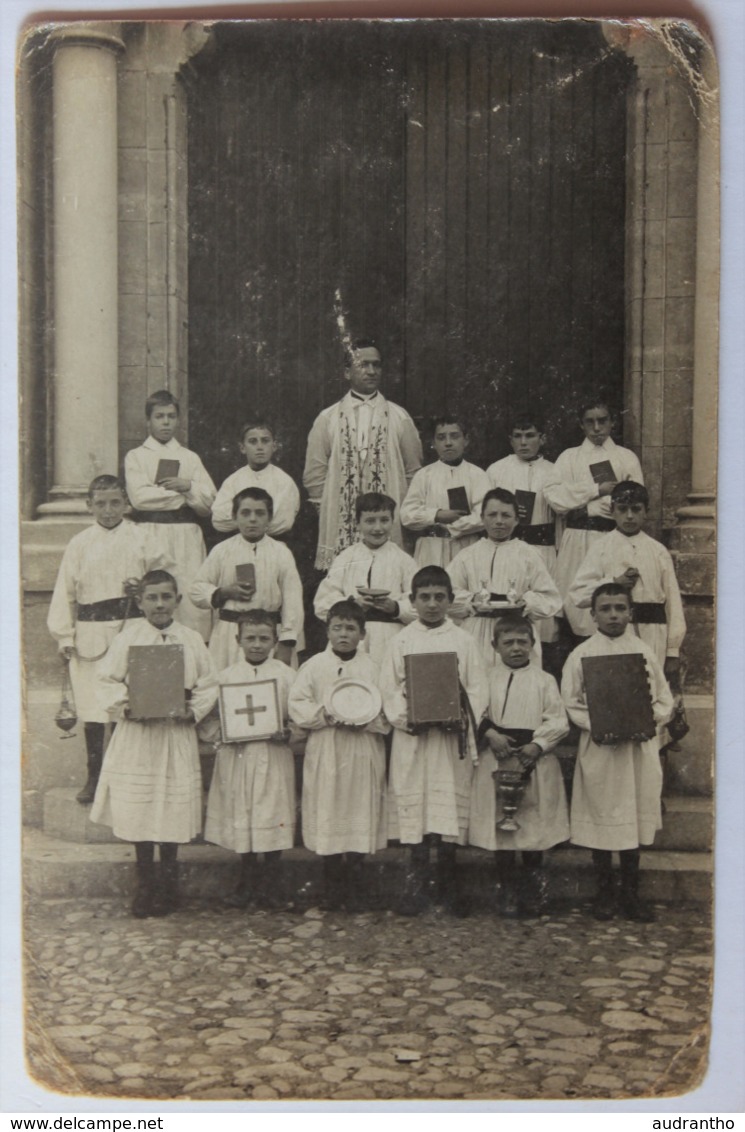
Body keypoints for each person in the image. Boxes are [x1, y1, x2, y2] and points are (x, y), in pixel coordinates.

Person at [90, 570, 217, 917]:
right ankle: (145, 884)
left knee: (172, 808)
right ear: (140, 602)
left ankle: (169, 885)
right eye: (152, 598)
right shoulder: (128, 638)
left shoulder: (191, 639)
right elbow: (105, 679)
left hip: (174, 734)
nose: (159, 604)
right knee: (142, 809)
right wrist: (127, 706)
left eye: (166, 597)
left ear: (177, 601)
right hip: (140, 737)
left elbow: (209, 683)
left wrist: (193, 711)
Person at [46, 475, 172, 804]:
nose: (108, 510)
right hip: (90, 631)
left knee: (129, 705)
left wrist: (143, 588)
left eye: (115, 502)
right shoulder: (80, 543)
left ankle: (124, 778)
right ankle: (95, 776)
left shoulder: (142, 537)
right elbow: (65, 592)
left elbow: (166, 577)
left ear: (126, 504)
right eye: (100, 503)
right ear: (89, 506)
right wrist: (64, 636)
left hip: (132, 625)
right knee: (93, 707)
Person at [561, 583, 674, 922]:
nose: (613, 615)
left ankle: (630, 894)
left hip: (636, 749)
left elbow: (664, 700)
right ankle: (605, 893)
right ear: (592, 614)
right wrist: (599, 725)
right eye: (605, 608)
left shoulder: (643, 650)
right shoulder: (581, 654)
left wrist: (644, 720)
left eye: (620, 608)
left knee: (632, 814)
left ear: (631, 612)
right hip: (602, 748)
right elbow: (571, 702)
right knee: (603, 815)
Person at [380, 566, 487, 918]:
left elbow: (477, 687)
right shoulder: (400, 641)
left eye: (439, 597)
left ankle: (449, 889)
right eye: (424, 597)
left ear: (450, 600)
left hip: (448, 739)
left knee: (446, 813)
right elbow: (389, 689)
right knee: (416, 811)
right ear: (412, 601)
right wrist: (406, 718)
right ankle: (416, 889)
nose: (431, 604)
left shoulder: (464, 641)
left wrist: (459, 715)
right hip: (414, 739)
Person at [288, 601, 390, 912]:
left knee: (359, 805)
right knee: (329, 807)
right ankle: (333, 885)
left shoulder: (375, 668)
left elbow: (388, 708)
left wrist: (368, 720)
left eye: (350, 629)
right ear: (327, 631)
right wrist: (325, 716)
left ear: (362, 634)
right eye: (337, 628)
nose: (343, 635)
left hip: (362, 749)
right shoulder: (314, 666)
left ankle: (357, 884)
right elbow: (297, 703)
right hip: (328, 747)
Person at [468, 615, 569, 918]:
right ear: (494, 646)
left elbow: (558, 719)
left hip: (532, 759)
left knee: (533, 826)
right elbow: (474, 710)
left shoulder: (544, 680)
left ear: (532, 644)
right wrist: (490, 734)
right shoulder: (485, 678)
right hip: (498, 758)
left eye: (522, 642)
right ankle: (506, 890)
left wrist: (538, 744)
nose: (515, 648)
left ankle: (533, 891)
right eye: (508, 642)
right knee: (503, 828)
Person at [200, 611, 297, 911]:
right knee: (243, 813)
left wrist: (289, 732)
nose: (257, 645)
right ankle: (246, 882)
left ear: (275, 640)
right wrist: (223, 733)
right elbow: (209, 719)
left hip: (272, 755)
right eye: (250, 638)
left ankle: (270, 885)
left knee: (271, 813)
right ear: (237, 639)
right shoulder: (226, 677)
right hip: (238, 757)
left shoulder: (287, 676)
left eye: (264, 639)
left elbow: (300, 713)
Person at [303, 339, 422, 570]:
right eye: (363, 365)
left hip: (388, 522)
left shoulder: (400, 417)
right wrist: (332, 510)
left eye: (376, 365)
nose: (371, 371)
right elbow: (314, 474)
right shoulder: (327, 418)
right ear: (347, 372)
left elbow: (413, 472)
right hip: (341, 519)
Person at [568, 481, 685, 688]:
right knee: (618, 692)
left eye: (636, 509)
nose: (629, 516)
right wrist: (613, 582)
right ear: (612, 511)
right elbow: (578, 595)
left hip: (654, 634)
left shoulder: (658, 551)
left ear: (646, 512)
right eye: (622, 509)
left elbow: (673, 603)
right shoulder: (601, 548)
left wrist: (672, 650)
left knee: (650, 692)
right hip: (615, 635)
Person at [547, 400, 643, 639]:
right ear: (582, 425)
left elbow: (633, 498)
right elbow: (555, 497)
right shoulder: (569, 458)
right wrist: (596, 490)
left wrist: (581, 505)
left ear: (612, 422)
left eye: (602, 421)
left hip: (611, 537)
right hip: (576, 537)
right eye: (590, 422)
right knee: (571, 596)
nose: (597, 427)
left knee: (609, 593)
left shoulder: (625, 457)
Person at [124, 390, 216, 640]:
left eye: (171, 416)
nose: (166, 422)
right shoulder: (136, 457)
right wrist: (184, 496)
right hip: (151, 534)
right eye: (159, 416)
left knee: (189, 600)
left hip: (187, 537)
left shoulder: (190, 458)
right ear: (148, 421)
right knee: (155, 595)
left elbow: (209, 504)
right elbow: (140, 498)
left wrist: (188, 486)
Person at [190, 487, 304, 672]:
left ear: (269, 517)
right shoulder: (222, 550)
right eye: (245, 513)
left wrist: (286, 643)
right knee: (229, 687)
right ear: (234, 517)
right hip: (230, 635)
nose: (252, 519)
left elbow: (293, 601)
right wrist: (224, 592)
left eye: (260, 513)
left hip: (267, 634)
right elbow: (196, 589)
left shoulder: (281, 552)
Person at [447, 488, 562, 666]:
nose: (499, 521)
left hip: (516, 631)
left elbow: (550, 598)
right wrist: (471, 600)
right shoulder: (467, 555)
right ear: (482, 518)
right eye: (492, 515)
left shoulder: (529, 554)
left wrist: (526, 602)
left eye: (506, 516)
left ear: (516, 520)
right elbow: (448, 595)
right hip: (476, 631)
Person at [313, 492, 417, 664]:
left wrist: (396, 608)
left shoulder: (404, 561)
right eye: (370, 521)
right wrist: (352, 604)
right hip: (352, 637)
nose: (377, 528)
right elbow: (322, 604)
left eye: (384, 520)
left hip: (391, 637)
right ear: (358, 524)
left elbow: (418, 606)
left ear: (392, 521)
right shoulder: (346, 558)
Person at [486, 413, 561, 647]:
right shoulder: (497, 470)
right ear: (510, 440)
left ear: (543, 438)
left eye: (530, 436)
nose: (523, 442)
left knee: (544, 622)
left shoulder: (554, 470)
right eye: (517, 436)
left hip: (545, 548)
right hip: (510, 550)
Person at [400, 414, 489, 567]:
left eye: (454, 437)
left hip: (466, 546)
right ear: (433, 443)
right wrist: (437, 515)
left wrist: (455, 528)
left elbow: (484, 514)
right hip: (431, 548)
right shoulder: (424, 475)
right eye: (441, 438)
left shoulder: (477, 475)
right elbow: (407, 515)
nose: (448, 443)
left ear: (465, 440)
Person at [211, 419, 300, 538]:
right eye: (253, 441)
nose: (259, 447)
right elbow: (218, 519)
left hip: (273, 546)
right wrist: (262, 517)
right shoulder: (233, 481)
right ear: (242, 447)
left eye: (265, 441)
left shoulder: (284, 481)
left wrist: (241, 517)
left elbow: (282, 522)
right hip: (239, 545)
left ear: (274, 446)